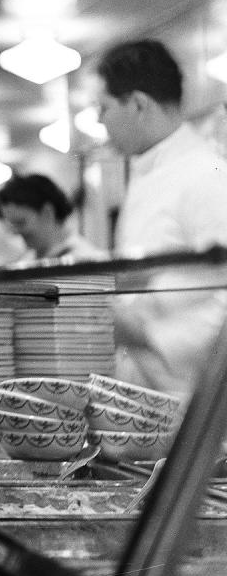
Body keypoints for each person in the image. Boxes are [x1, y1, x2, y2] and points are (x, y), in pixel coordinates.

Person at [95, 38, 227, 393]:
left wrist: (151, 337)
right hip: (148, 395)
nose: (99, 121)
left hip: (198, 397)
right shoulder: (149, 172)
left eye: (104, 108)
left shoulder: (207, 174)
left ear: (138, 104)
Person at [0, 173, 105, 263]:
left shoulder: (88, 261)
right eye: (12, 225)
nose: (15, 232)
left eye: (20, 223)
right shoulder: (25, 262)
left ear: (47, 212)